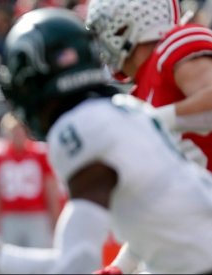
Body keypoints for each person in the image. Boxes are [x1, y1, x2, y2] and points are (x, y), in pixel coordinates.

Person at [0, 7, 212, 274]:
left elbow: (73, 264)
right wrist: (122, 267)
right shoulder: (124, 110)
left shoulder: (80, 128)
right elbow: (160, 208)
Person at [85, 0, 212, 272]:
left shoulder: (176, 44)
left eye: (102, 30)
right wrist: (120, 268)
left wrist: (152, 121)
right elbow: (163, 213)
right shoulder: (138, 101)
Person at [0, 112, 61, 248]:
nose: (17, 135)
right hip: (9, 216)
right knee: (8, 262)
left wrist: (55, 218)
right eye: (13, 131)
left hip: (37, 214)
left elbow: (51, 188)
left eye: (20, 130)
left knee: (39, 259)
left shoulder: (40, 153)